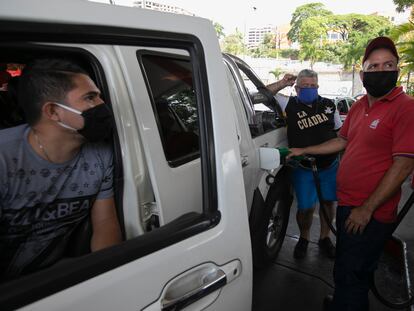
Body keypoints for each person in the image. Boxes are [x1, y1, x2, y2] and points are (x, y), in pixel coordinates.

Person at [288, 37, 414, 310]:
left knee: (349, 272)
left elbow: (403, 165)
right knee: (352, 267)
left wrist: (367, 209)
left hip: (369, 211)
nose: (381, 71)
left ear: (397, 70)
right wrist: (304, 149)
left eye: (388, 65)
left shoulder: (406, 108)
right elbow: (341, 141)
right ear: (362, 73)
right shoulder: (359, 106)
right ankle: (346, 300)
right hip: (349, 205)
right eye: (374, 66)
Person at [0, 59, 122, 279]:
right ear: (54, 111)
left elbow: (105, 225)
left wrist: (108, 280)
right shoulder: (4, 158)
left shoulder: (99, 154)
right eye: (90, 98)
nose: (102, 104)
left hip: (53, 276)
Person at [267, 69, 342, 259]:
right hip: (303, 167)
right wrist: (283, 82)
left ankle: (325, 238)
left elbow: (340, 134)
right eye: (305, 86)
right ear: (297, 88)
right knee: (305, 207)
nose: (309, 89)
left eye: (313, 86)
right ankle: (304, 238)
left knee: (327, 202)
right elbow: (262, 95)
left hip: (329, 165)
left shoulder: (328, 105)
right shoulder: (288, 103)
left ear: (317, 87)